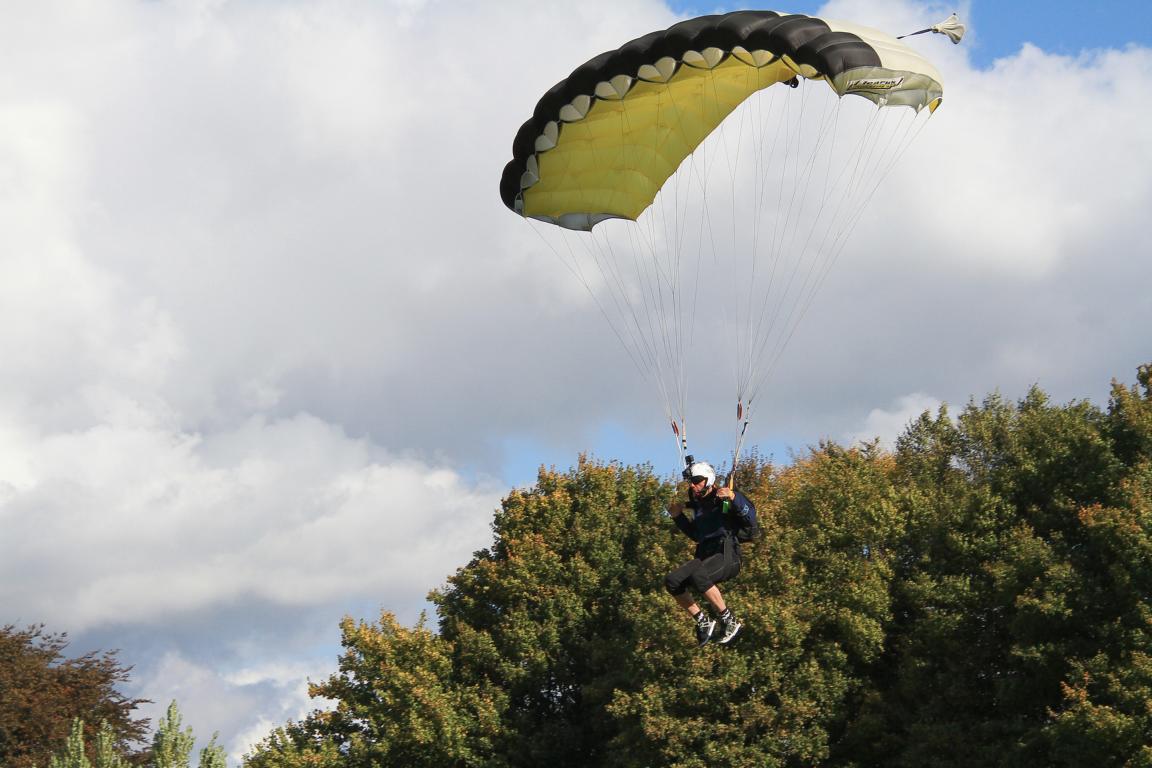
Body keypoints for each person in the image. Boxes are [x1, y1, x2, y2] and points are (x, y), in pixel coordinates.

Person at [665, 460, 756, 646]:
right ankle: (703, 621)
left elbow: (750, 517)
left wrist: (733, 497)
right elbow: (696, 535)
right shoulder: (698, 507)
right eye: (691, 482)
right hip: (706, 555)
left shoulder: (724, 500)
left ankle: (729, 620)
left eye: (697, 481)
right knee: (672, 581)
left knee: (698, 574)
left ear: (708, 480)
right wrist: (678, 517)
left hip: (727, 556)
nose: (693, 485)